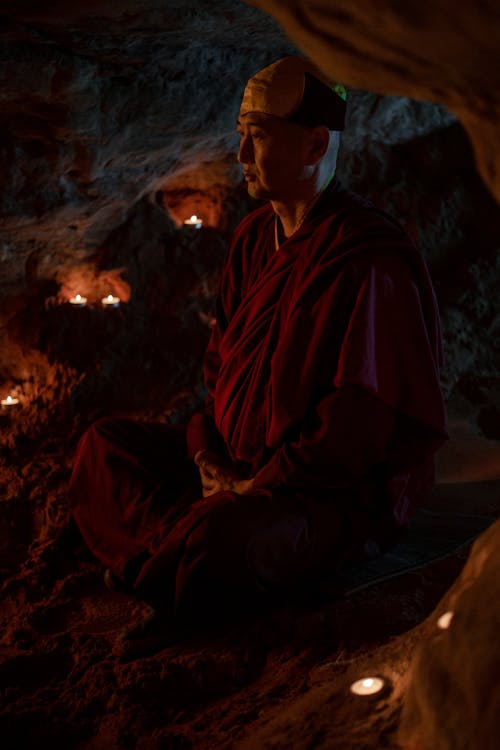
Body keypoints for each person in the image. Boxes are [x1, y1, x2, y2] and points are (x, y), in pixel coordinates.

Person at [69, 56, 448, 639]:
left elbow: (355, 429)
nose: (240, 156)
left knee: (230, 538)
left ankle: (172, 555)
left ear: (316, 143)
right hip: (235, 466)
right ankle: (176, 558)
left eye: (258, 138)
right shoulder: (252, 237)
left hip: (317, 493)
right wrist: (206, 457)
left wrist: (254, 487)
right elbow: (221, 365)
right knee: (105, 448)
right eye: (241, 137)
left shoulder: (367, 260)